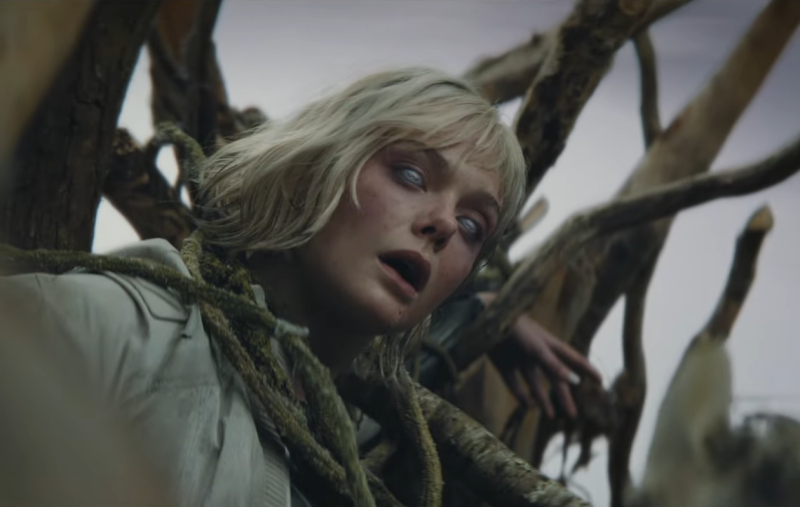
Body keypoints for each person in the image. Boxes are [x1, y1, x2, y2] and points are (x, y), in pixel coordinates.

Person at [1, 67, 599, 506]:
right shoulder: (117, 328)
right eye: (410, 174)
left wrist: (485, 314)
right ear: (314, 167)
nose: (444, 224)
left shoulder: (345, 437)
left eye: (472, 227)